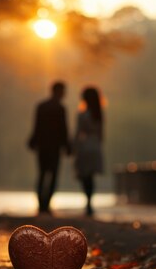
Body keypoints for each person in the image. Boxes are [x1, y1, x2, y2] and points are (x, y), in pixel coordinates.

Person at [28, 81, 71, 214]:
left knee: (42, 174)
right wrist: (67, 145)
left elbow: (36, 126)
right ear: (59, 91)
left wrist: (33, 141)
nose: (64, 93)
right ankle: (46, 203)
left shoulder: (41, 106)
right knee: (53, 175)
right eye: (63, 91)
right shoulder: (60, 108)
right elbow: (64, 129)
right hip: (55, 147)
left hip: (42, 146)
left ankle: (41, 203)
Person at [73, 86, 104, 217]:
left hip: (85, 146)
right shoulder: (99, 114)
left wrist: (74, 147)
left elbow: (78, 132)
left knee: (84, 175)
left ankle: (88, 202)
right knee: (90, 176)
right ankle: (90, 203)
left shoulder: (82, 114)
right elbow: (102, 134)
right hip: (95, 145)